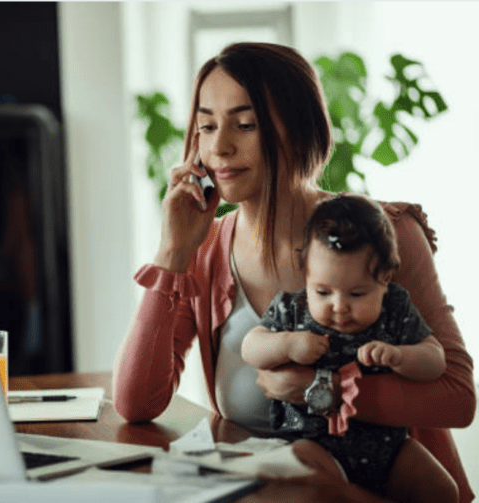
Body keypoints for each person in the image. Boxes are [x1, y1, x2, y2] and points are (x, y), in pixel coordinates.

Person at [112, 42, 475, 501]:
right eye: (206, 126)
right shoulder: (206, 252)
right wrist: (172, 251)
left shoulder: (386, 233)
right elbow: (134, 404)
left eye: (245, 125)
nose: (220, 146)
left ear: (299, 130)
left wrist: (317, 389)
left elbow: (457, 397)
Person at [241, 193, 454, 501]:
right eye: (323, 291)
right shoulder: (294, 310)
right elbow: (250, 347)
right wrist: (287, 344)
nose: (339, 306)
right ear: (306, 275)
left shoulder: (394, 308)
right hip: (311, 441)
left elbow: (435, 360)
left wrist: (401, 356)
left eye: (356, 294)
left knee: (443, 491)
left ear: (385, 279)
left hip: (388, 446)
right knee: (311, 485)